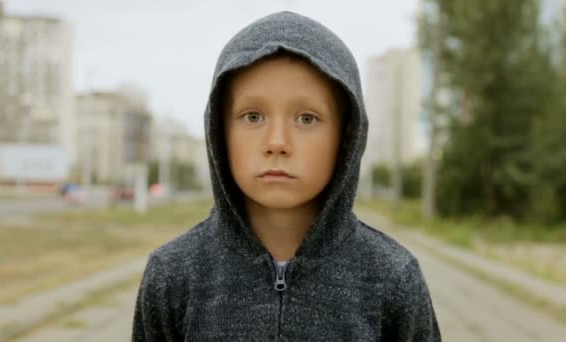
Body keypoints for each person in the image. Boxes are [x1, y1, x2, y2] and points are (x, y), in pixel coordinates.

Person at [132, 11, 441, 341]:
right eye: (253, 116)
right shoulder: (173, 276)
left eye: (307, 119)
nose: (277, 142)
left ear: (346, 136)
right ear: (220, 131)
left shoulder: (393, 279)